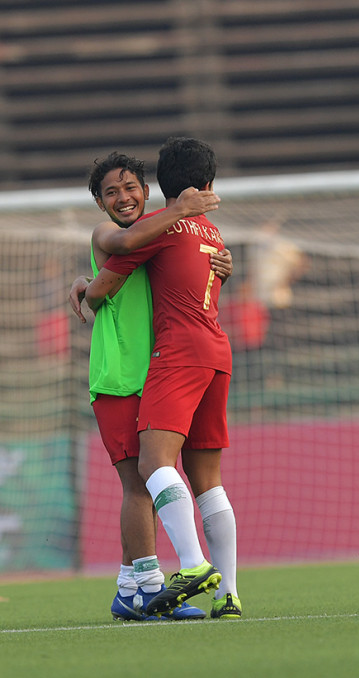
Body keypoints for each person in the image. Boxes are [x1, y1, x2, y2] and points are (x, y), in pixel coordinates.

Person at [84, 137, 241, 618]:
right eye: (112, 192)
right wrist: (86, 286)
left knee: (152, 482)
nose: (123, 197)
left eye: (131, 187)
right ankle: (153, 586)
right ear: (99, 203)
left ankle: (139, 586)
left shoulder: (162, 231)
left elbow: (109, 284)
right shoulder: (124, 232)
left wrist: (220, 262)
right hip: (121, 375)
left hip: (163, 367)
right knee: (143, 484)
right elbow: (108, 270)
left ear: (149, 190)